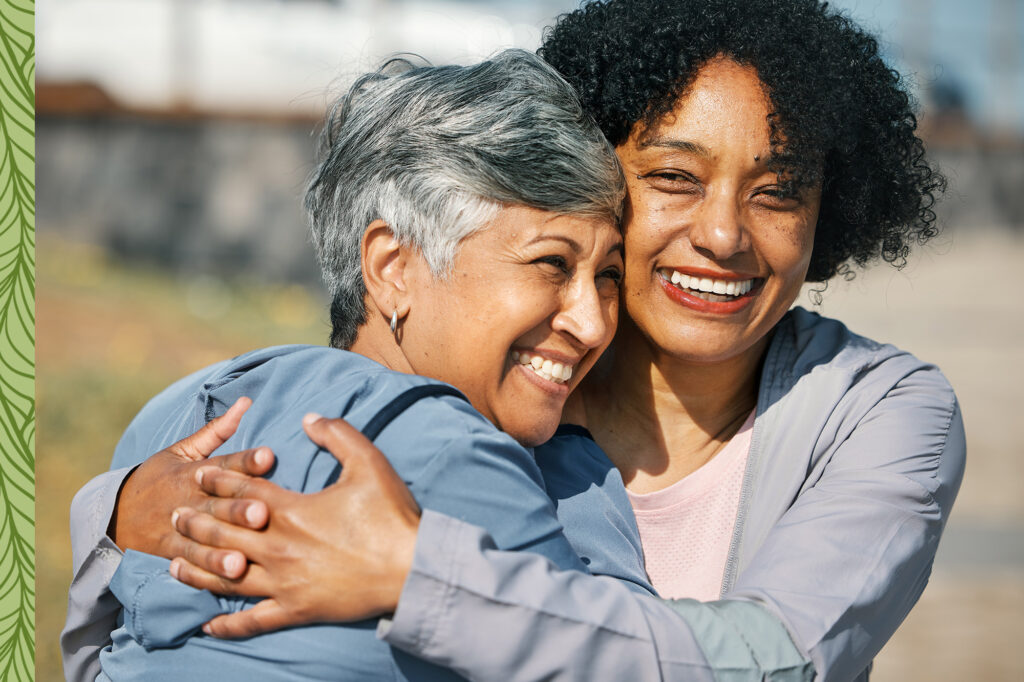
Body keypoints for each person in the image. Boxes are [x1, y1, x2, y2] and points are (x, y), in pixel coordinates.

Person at [69, 0, 966, 680]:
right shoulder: (504, 372)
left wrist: (418, 575)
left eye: (777, 192)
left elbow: (777, 661)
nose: (725, 234)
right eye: (673, 177)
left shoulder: (877, 409)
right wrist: (121, 512)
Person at [61, 49, 649, 681]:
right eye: (552, 264)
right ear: (393, 268)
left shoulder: (177, 418)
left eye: (609, 275)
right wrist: (577, 467)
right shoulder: (460, 458)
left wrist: (107, 508)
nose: (593, 324)